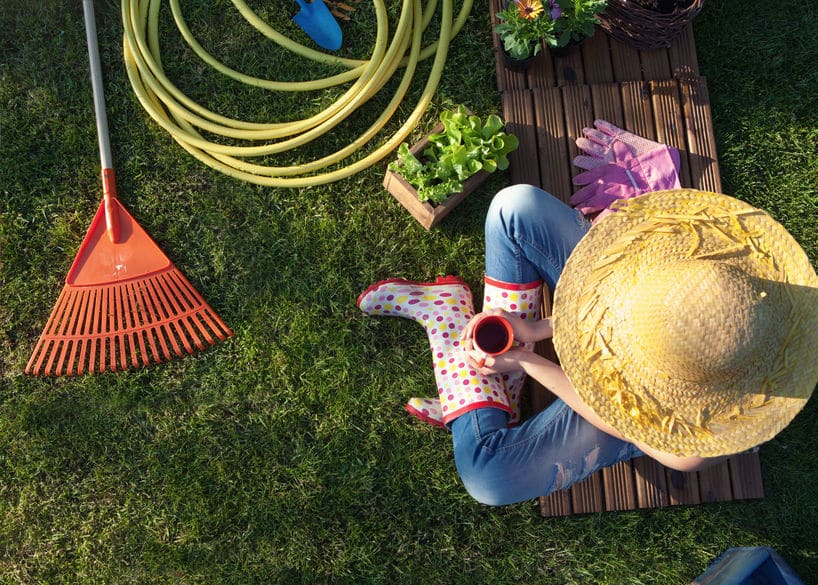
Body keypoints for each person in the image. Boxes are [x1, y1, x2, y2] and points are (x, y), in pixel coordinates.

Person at [357, 185, 818, 506]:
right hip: (624, 295)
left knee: (488, 476)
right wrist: (538, 330)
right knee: (513, 207)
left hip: (636, 410)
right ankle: (484, 388)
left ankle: (450, 329)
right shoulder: (734, 284)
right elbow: (635, 304)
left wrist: (527, 360)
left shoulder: (696, 432)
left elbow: (614, 416)